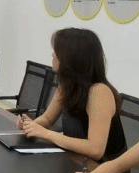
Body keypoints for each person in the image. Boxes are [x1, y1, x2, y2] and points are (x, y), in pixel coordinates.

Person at [18, 28, 126, 162]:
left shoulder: (99, 92)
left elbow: (96, 149)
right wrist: (31, 125)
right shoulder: (66, 85)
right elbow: (47, 119)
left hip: (103, 168)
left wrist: (47, 134)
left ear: (71, 58)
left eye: (57, 52)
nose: (53, 55)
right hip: (75, 160)